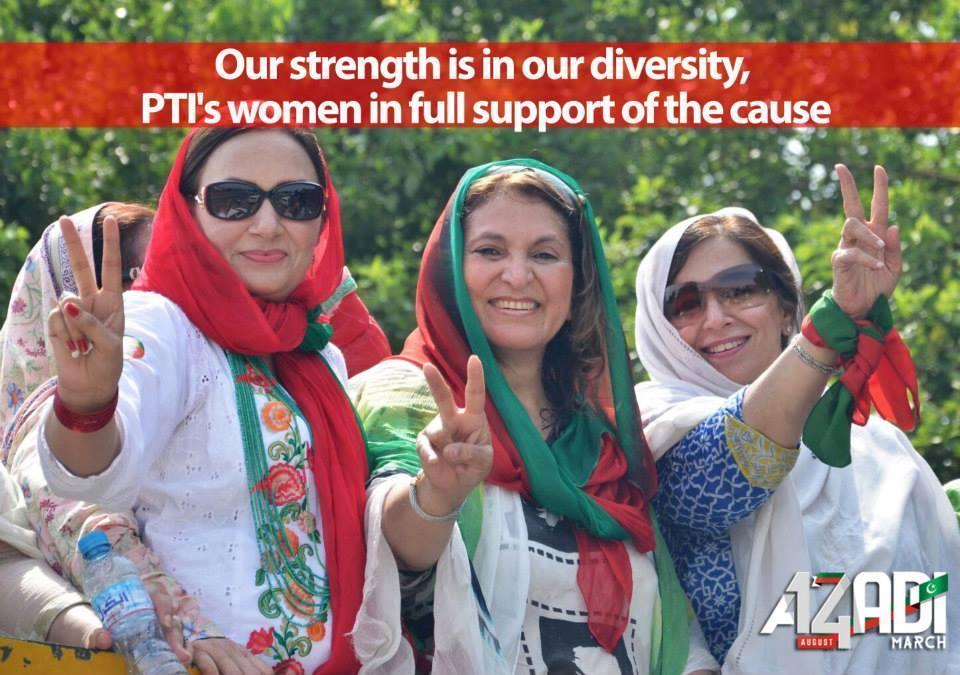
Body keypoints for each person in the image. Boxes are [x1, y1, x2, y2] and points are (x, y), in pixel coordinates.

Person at [350, 159, 718, 674]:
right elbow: (397, 552)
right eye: (490, 251)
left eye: (545, 254)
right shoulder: (408, 391)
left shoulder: (601, 434)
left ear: (577, 284)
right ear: (452, 268)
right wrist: (438, 492)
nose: (517, 275)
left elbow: (668, 619)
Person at [36, 128, 372, 674]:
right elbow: (91, 480)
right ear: (189, 214)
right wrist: (88, 401)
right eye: (234, 200)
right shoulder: (164, 325)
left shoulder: (318, 357)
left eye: (296, 201)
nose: (267, 224)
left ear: (322, 220)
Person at [632, 167, 960, 674]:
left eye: (740, 289)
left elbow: (927, 615)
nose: (715, 316)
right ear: (660, 328)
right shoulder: (655, 434)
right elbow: (730, 469)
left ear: (787, 309)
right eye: (685, 303)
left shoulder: (878, 447)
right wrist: (831, 328)